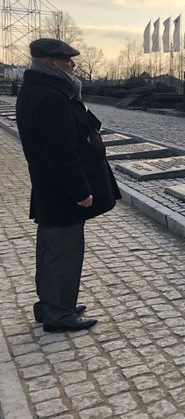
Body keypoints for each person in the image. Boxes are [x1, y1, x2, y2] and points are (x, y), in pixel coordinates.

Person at [16, 38, 121, 332]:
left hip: (52, 188)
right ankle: (59, 314)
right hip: (62, 190)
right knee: (64, 250)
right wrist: (80, 190)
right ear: (50, 63)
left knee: (52, 248)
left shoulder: (42, 89)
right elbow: (61, 152)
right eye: (68, 62)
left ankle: (51, 303)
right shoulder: (50, 96)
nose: (73, 66)